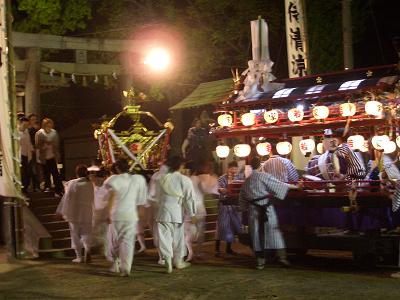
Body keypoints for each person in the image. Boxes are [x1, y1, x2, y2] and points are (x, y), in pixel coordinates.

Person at [239, 156, 302, 270]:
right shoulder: (264, 176)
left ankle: (260, 262)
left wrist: (244, 209)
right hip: (267, 209)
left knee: (256, 236)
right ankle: (282, 258)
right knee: (274, 233)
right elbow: (281, 186)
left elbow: (242, 200)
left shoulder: (246, 181)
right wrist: (297, 186)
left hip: (253, 211)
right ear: (261, 165)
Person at [104, 158, 148, 277]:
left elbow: (111, 196)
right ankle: (126, 268)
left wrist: (108, 212)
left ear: (117, 168)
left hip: (116, 215)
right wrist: (140, 213)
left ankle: (116, 263)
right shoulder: (138, 179)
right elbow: (141, 200)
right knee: (127, 242)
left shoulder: (114, 179)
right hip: (131, 216)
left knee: (114, 241)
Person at [155, 155, 196, 274]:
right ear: (181, 165)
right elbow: (189, 198)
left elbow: (158, 196)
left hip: (163, 211)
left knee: (164, 238)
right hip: (177, 211)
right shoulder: (185, 180)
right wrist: (191, 213)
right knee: (178, 238)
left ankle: (168, 262)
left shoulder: (161, 179)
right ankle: (178, 262)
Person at [56, 165, 94, 263]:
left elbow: (66, 198)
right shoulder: (90, 184)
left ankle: (79, 256)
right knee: (86, 232)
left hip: (74, 212)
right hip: (87, 212)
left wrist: (60, 211)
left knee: (75, 234)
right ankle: (88, 249)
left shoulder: (72, 183)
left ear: (77, 173)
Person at [185, 160, 218, 261]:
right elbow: (208, 190)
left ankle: (189, 251)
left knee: (187, 231)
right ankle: (199, 252)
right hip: (200, 207)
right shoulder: (204, 179)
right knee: (200, 231)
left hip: (188, 208)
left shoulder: (188, 179)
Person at [215, 161, 244, 256]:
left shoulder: (239, 177)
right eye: (232, 168)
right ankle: (217, 249)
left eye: (235, 169)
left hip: (234, 206)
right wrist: (227, 191)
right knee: (221, 227)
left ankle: (228, 248)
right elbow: (219, 190)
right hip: (224, 205)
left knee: (231, 227)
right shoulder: (221, 179)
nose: (233, 171)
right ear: (228, 168)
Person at [35, 118, 63, 196]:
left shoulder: (54, 132)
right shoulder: (39, 133)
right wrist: (44, 145)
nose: (49, 126)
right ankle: (47, 187)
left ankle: (58, 188)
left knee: (55, 172)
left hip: (53, 155)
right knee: (46, 172)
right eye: (47, 124)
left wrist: (52, 144)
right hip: (44, 156)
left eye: (50, 124)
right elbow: (37, 145)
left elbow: (57, 143)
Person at [148, 162, 169, 265]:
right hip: (171, 208)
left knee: (159, 233)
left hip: (158, 208)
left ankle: (162, 256)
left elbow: (151, 193)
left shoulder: (156, 176)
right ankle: (169, 255)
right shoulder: (173, 176)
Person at [90, 168, 111, 258]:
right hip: (99, 213)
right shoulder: (104, 188)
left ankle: (105, 251)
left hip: (100, 213)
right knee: (102, 232)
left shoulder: (104, 188)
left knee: (103, 233)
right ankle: (104, 250)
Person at [18, 117, 33, 194]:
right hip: (20, 155)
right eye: (24, 125)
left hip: (27, 155)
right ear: (20, 123)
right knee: (22, 173)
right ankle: (22, 189)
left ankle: (25, 188)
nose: (26, 126)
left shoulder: (26, 131)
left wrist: (32, 150)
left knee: (28, 173)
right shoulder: (16, 132)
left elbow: (29, 142)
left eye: (27, 125)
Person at [27, 114, 40, 192]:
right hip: (30, 152)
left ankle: (36, 186)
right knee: (31, 169)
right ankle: (33, 186)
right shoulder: (28, 130)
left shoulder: (37, 130)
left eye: (35, 119)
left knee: (36, 169)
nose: (34, 121)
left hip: (37, 152)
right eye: (32, 119)